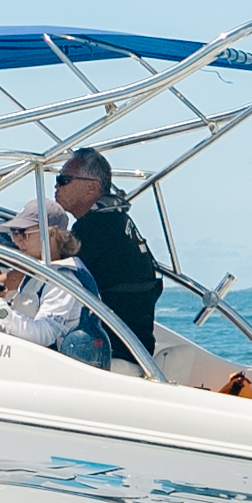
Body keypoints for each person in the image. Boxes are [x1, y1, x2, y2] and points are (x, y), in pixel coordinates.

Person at [0, 199, 115, 367]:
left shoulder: (64, 279)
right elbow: (16, 332)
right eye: (14, 233)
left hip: (59, 374)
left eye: (23, 233)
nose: (17, 241)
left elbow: (43, 335)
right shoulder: (38, 277)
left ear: (51, 233)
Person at [53, 147, 162, 364]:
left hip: (111, 348)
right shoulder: (117, 221)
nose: (56, 186)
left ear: (91, 187)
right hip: (135, 344)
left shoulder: (96, 228)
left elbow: (54, 275)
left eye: (64, 179)